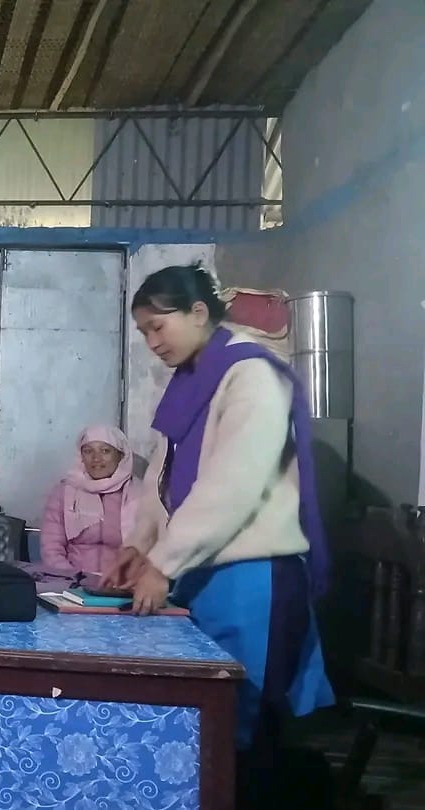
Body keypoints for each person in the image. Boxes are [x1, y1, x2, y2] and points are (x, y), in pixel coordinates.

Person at [101, 264, 333, 807]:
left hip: (254, 580)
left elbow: (231, 486)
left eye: (158, 326)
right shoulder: (191, 382)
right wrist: (138, 546)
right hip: (203, 572)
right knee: (208, 722)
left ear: (199, 312)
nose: (152, 342)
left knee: (243, 722)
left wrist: (164, 564)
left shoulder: (252, 376)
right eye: (144, 332)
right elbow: (161, 478)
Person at [39, 425, 141, 579]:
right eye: (88, 451)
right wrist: (72, 578)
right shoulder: (63, 492)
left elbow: (149, 549)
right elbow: (51, 547)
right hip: (71, 581)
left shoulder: (141, 494)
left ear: (120, 455)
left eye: (105, 451)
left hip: (124, 582)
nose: (96, 458)